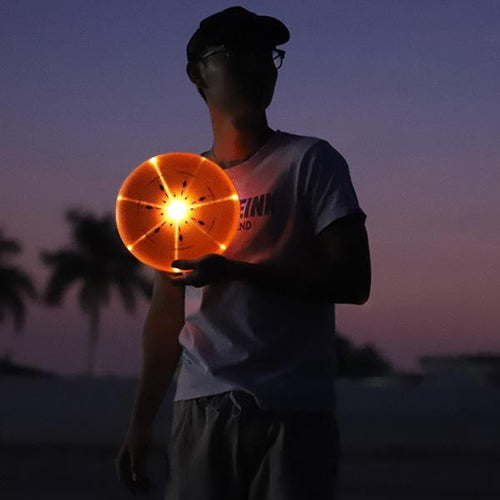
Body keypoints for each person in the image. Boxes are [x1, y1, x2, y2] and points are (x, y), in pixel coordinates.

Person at [115, 5, 371, 500]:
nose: (258, 66)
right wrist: (141, 423)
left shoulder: (309, 160)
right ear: (197, 74)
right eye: (238, 53)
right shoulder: (176, 187)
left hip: (294, 407)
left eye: (267, 55)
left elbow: (353, 281)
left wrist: (239, 271)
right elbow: (166, 314)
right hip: (202, 404)